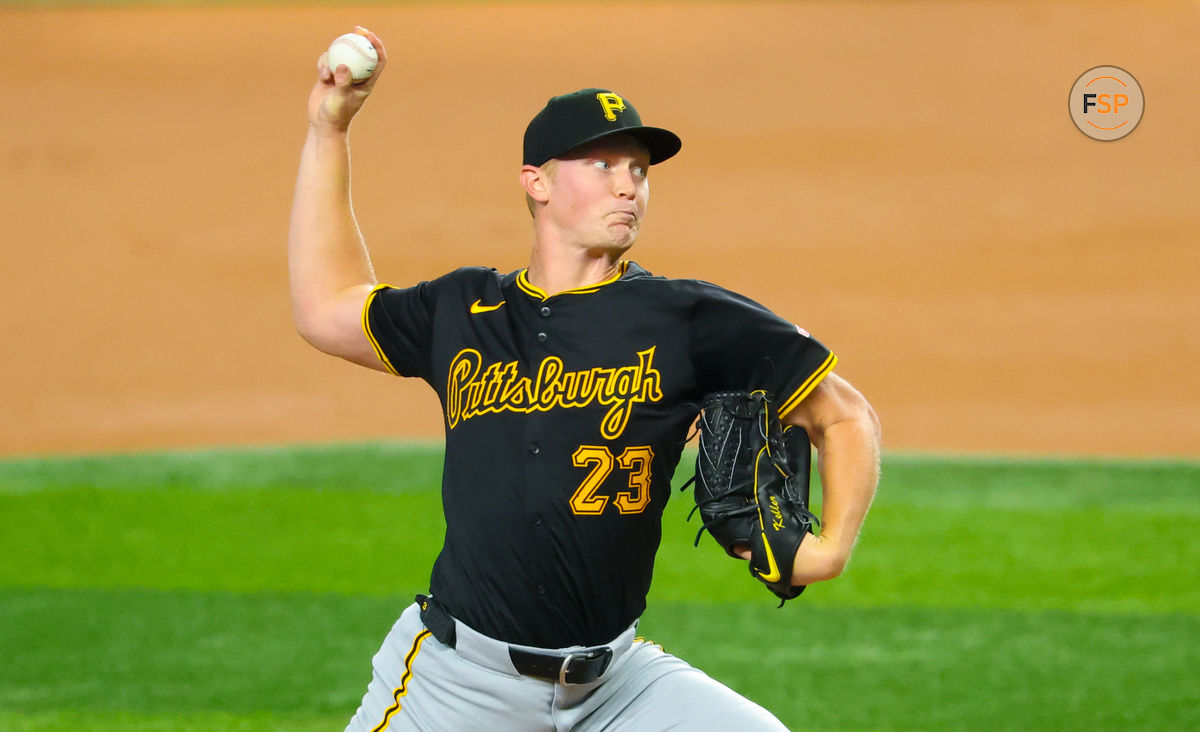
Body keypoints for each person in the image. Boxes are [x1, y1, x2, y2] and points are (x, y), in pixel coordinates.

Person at [290, 27, 881, 732]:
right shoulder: (463, 309)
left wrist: (832, 547)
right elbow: (326, 308)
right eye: (602, 163)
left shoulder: (686, 317)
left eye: (639, 168)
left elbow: (843, 415)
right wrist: (329, 128)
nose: (628, 182)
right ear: (535, 182)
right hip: (458, 687)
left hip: (616, 687)